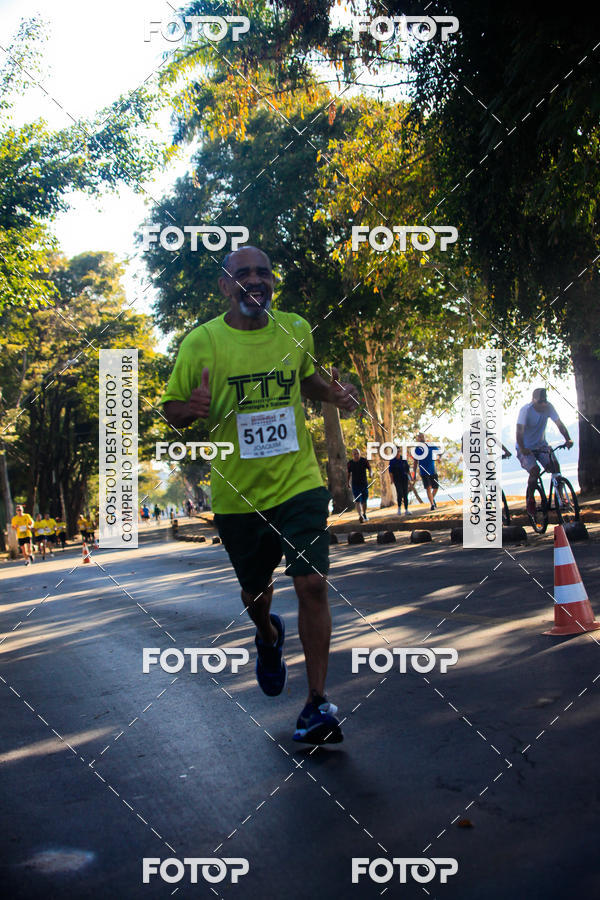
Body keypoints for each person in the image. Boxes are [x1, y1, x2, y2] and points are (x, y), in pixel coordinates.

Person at [162, 245, 358, 744]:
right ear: (226, 286)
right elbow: (171, 411)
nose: (256, 280)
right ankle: (267, 636)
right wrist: (192, 406)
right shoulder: (200, 343)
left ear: (273, 283)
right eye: (243, 274)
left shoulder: (294, 328)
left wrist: (333, 394)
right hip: (238, 495)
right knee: (255, 592)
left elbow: (307, 380)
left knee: (312, 583)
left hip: (299, 482)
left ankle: (316, 704)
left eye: (264, 273)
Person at [516, 388, 573, 515]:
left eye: (545, 401)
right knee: (535, 471)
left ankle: (560, 496)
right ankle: (530, 500)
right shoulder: (526, 410)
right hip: (524, 447)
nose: (543, 404)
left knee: (555, 466)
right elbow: (519, 431)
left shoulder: (549, 407)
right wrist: (522, 448)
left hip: (541, 445)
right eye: (540, 402)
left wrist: (567, 438)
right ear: (533, 400)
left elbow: (559, 424)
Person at [412, 432, 442, 510]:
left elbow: (438, 453)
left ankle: (432, 499)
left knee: (436, 487)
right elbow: (415, 462)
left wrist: (438, 458)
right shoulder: (417, 449)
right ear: (418, 439)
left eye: (422, 437)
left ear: (425, 437)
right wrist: (414, 474)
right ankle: (432, 504)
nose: (421, 439)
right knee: (428, 488)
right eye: (420, 437)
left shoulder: (431, 445)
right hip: (424, 472)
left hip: (433, 470)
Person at [347, 448, 372, 523]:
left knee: (364, 500)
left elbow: (370, 468)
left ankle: (364, 514)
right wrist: (347, 483)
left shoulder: (364, 461)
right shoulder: (350, 463)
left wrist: (371, 473)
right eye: (354, 454)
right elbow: (348, 474)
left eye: (357, 453)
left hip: (364, 484)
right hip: (355, 484)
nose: (356, 455)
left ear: (359, 454)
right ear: (352, 455)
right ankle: (360, 515)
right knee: (357, 500)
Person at [389, 447, 411, 515]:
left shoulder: (403, 459)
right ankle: (399, 509)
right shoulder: (392, 461)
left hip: (404, 478)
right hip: (397, 479)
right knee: (400, 493)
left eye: (398, 451)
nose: (397, 453)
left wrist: (410, 478)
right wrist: (392, 480)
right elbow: (390, 472)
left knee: (405, 494)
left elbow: (407, 469)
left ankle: (406, 510)